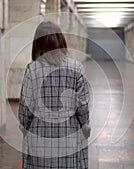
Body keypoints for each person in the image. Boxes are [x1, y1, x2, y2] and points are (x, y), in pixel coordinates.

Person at [18, 21, 90, 169]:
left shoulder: (32, 69)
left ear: (37, 44)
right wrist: (85, 125)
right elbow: (82, 105)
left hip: (39, 133)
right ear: (61, 40)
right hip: (69, 132)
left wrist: (24, 126)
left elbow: (25, 107)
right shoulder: (76, 67)